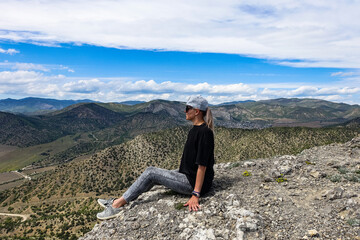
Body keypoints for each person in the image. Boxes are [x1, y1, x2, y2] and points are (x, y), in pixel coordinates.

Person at [97, 95, 215, 220]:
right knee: (153, 176)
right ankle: (120, 199)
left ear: (196, 111)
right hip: (188, 175)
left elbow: (202, 165)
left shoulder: (204, 132)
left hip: (193, 183)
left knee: (151, 172)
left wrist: (196, 194)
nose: (184, 111)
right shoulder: (195, 130)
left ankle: (116, 205)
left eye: (187, 108)